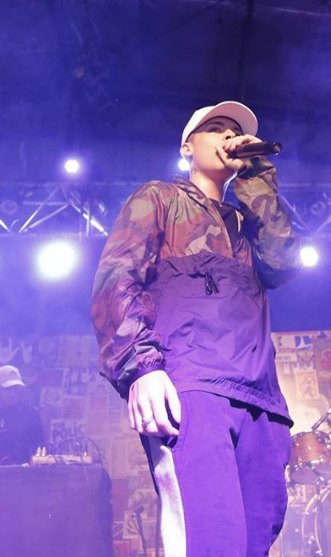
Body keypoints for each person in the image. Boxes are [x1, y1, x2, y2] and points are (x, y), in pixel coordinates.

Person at [91, 101, 301, 556]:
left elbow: (284, 262)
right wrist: (142, 367)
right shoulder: (159, 198)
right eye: (217, 128)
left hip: (261, 398)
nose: (230, 137)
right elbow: (117, 278)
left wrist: (258, 176)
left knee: (254, 541)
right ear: (187, 146)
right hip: (193, 385)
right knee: (209, 539)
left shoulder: (248, 224)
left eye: (236, 131)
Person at [0, 365, 44, 464]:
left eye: (16, 389)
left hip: (23, 471)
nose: (12, 394)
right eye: (7, 389)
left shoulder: (31, 414)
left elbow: (40, 447)